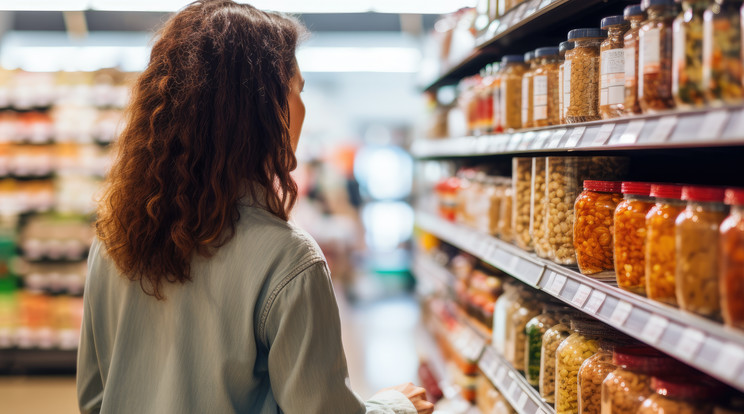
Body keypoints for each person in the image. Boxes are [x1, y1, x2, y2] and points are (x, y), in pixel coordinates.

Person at [76, 1, 434, 413]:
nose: (302, 108)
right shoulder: (289, 259)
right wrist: (395, 407)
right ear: (262, 111)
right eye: (297, 90)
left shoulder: (113, 240)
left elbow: (94, 400)